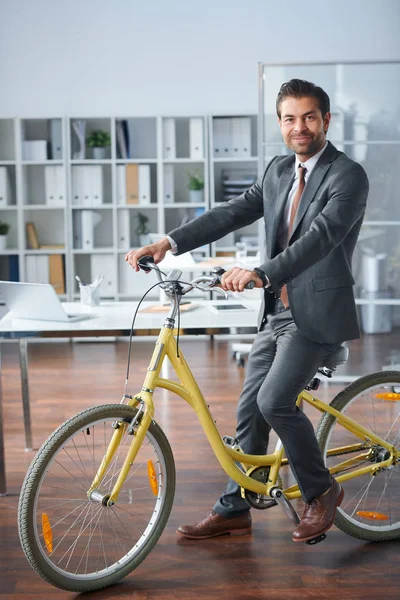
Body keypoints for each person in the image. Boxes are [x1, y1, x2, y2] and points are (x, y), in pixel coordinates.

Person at [125, 79, 369, 544]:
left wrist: (260, 271)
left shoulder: (347, 175)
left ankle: (321, 492)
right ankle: (235, 507)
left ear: (326, 121)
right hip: (276, 312)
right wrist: (168, 244)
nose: (300, 127)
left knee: (274, 401)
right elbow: (230, 213)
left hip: (316, 313)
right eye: (290, 118)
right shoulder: (279, 170)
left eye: (310, 117)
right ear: (280, 123)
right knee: (249, 415)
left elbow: (321, 238)